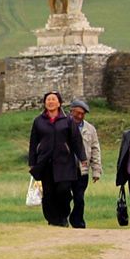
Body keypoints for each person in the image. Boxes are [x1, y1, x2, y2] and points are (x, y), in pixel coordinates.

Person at [28, 92, 86, 227]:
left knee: (64, 190)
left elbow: (76, 140)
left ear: (59, 103)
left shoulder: (67, 120)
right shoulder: (38, 121)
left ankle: (63, 216)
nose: (51, 102)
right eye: (48, 100)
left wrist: (82, 157)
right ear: (44, 103)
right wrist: (32, 162)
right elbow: (33, 142)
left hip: (65, 163)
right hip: (46, 163)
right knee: (48, 194)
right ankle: (52, 220)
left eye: (53, 99)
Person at [68, 99, 101, 228]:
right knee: (65, 197)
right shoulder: (63, 125)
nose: (80, 116)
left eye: (82, 114)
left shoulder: (90, 129)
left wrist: (96, 170)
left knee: (79, 198)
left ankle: (78, 223)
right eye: (77, 113)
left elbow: (95, 149)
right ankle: (62, 219)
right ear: (71, 111)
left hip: (82, 170)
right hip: (65, 169)